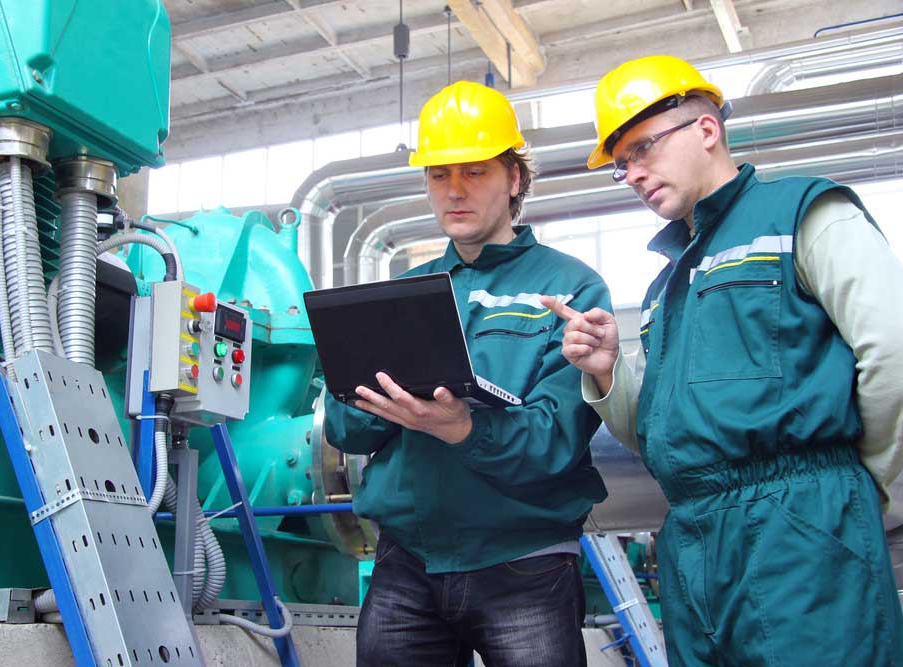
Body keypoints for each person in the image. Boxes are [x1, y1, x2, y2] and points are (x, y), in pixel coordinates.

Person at [541, 54, 903, 666]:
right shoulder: (665, 288)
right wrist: (606, 371)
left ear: (706, 131)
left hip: (804, 529)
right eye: (621, 164)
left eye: (641, 148)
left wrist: (864, 488)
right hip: (694, 540)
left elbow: (892, 351)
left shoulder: (805, 215)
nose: (631, 173)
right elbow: (654, 434)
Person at [323, 80, 612, 667]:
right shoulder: (400, 294)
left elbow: (557, 440)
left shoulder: (572, 288)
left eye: (475, 172)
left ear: (514, 179)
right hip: (407, 563)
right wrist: (366, 396)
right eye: (438, 175)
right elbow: (347, 433)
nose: (454, 191)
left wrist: (461, 428)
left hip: (524, 560)